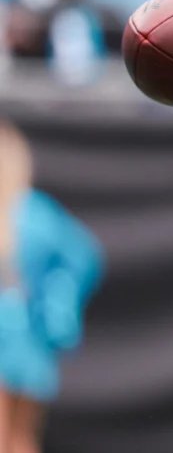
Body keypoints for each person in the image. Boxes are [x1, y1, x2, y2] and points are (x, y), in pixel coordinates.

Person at [0, 121, 104, 453]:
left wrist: (55, 311)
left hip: (18, 344)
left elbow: (81, 258)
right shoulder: (39, 214)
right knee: (20, 437)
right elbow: (82, 257)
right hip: (30, 348)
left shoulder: (34, 215)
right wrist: (55, 312)